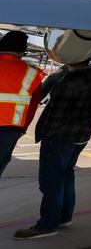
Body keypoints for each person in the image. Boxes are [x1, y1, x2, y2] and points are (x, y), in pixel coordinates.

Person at [13, 58, 91, 240]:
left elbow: (55, 115)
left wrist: (45, 135)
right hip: (81, 135)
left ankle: (47, 225)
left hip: (60, 137)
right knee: (66, 174)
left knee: (51, 181)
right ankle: (64, 216)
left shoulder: (68, 83)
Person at [0, 30, 45, 177]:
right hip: (9, 130)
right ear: (20, 52)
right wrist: (22, 129)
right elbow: (32, 107)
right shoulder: (32, 73)